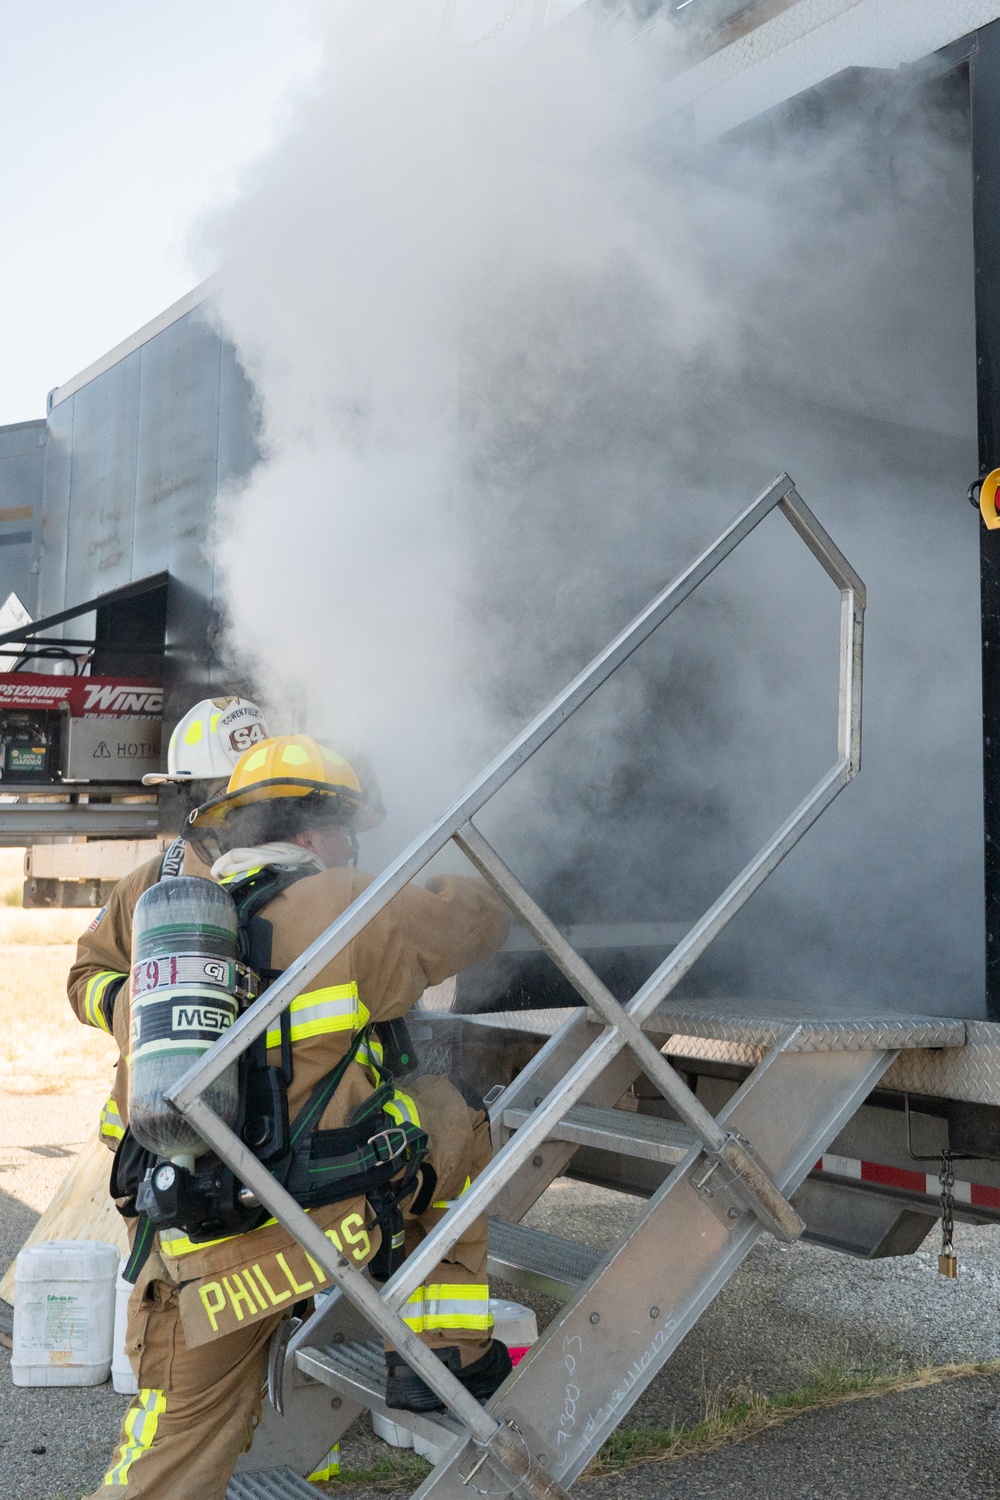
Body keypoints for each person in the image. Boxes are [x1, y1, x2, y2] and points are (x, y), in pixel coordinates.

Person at [83, 734, 510, 1499]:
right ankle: (444, 1348)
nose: (354, 847)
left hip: (189, 1237)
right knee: (454, 1112)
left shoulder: (176, 924)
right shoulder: (350, 903)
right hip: (312, 1216)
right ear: (318, 829)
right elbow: (478, 920)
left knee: (164, 1458)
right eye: (351, 830)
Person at [68, 696, 271, 1150]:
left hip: (268, 1121)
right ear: (190, 793)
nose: (240, 809)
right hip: (158, 1135)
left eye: (252, 793)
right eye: (224, 794)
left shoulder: (296, 871)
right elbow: (85, 976)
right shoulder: (153, 883)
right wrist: (132, 1002)